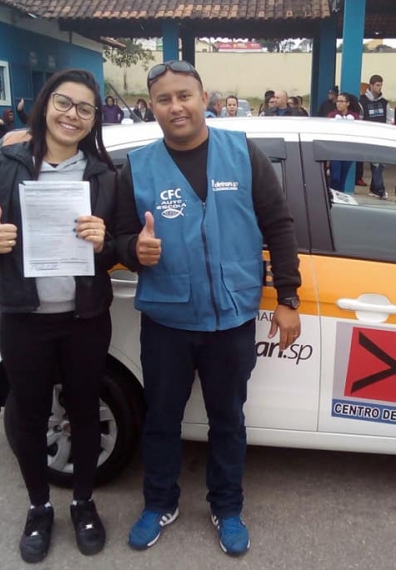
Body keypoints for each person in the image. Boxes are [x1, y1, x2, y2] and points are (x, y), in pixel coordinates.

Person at [114, 60, 301, 557]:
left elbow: (278, 225)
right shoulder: (137, 166)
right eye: (164, 99)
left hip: (232, 320)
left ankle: (227, 506)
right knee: (161, 418)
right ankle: (159, 502)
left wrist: (287, 297)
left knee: (228, 419)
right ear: (151, 106)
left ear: (204, 97)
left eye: (185, 95)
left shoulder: (242, 154)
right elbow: (116, 237)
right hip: (168, 321)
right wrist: (135, 250)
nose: (176, 106)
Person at [0, 69, 118, 563]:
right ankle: (39, 506)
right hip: (24, 318)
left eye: (85, 109)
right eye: (65, 104)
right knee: (29, 414)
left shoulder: (103, 174)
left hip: (85, 317)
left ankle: (85, 503)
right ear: (47, 104)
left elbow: (121, 244)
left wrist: (103, 241)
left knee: (85, 411)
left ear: (94, 120)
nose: (73, 115)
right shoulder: (4, 164)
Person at [360, 75, 390, 198]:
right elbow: (361, 120)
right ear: (371, 85)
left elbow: (388, 120)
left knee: (380, 163)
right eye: (377, 85)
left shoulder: (385, 103)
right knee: (376, 163)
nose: (379, 87)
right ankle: (380, 189)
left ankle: (374, 188)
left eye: (381, 85)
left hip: (382, 137)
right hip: (369, 137)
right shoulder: (362, 101)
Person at [327, 92, 359, 191]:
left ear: (348, 103)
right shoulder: (332, 115)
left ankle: (340, 197)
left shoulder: (354, 116)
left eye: (341, 101)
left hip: (348, 150)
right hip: (335, 150)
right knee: (335, 177)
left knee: (343, 178)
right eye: (337, 101)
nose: (339, 104)